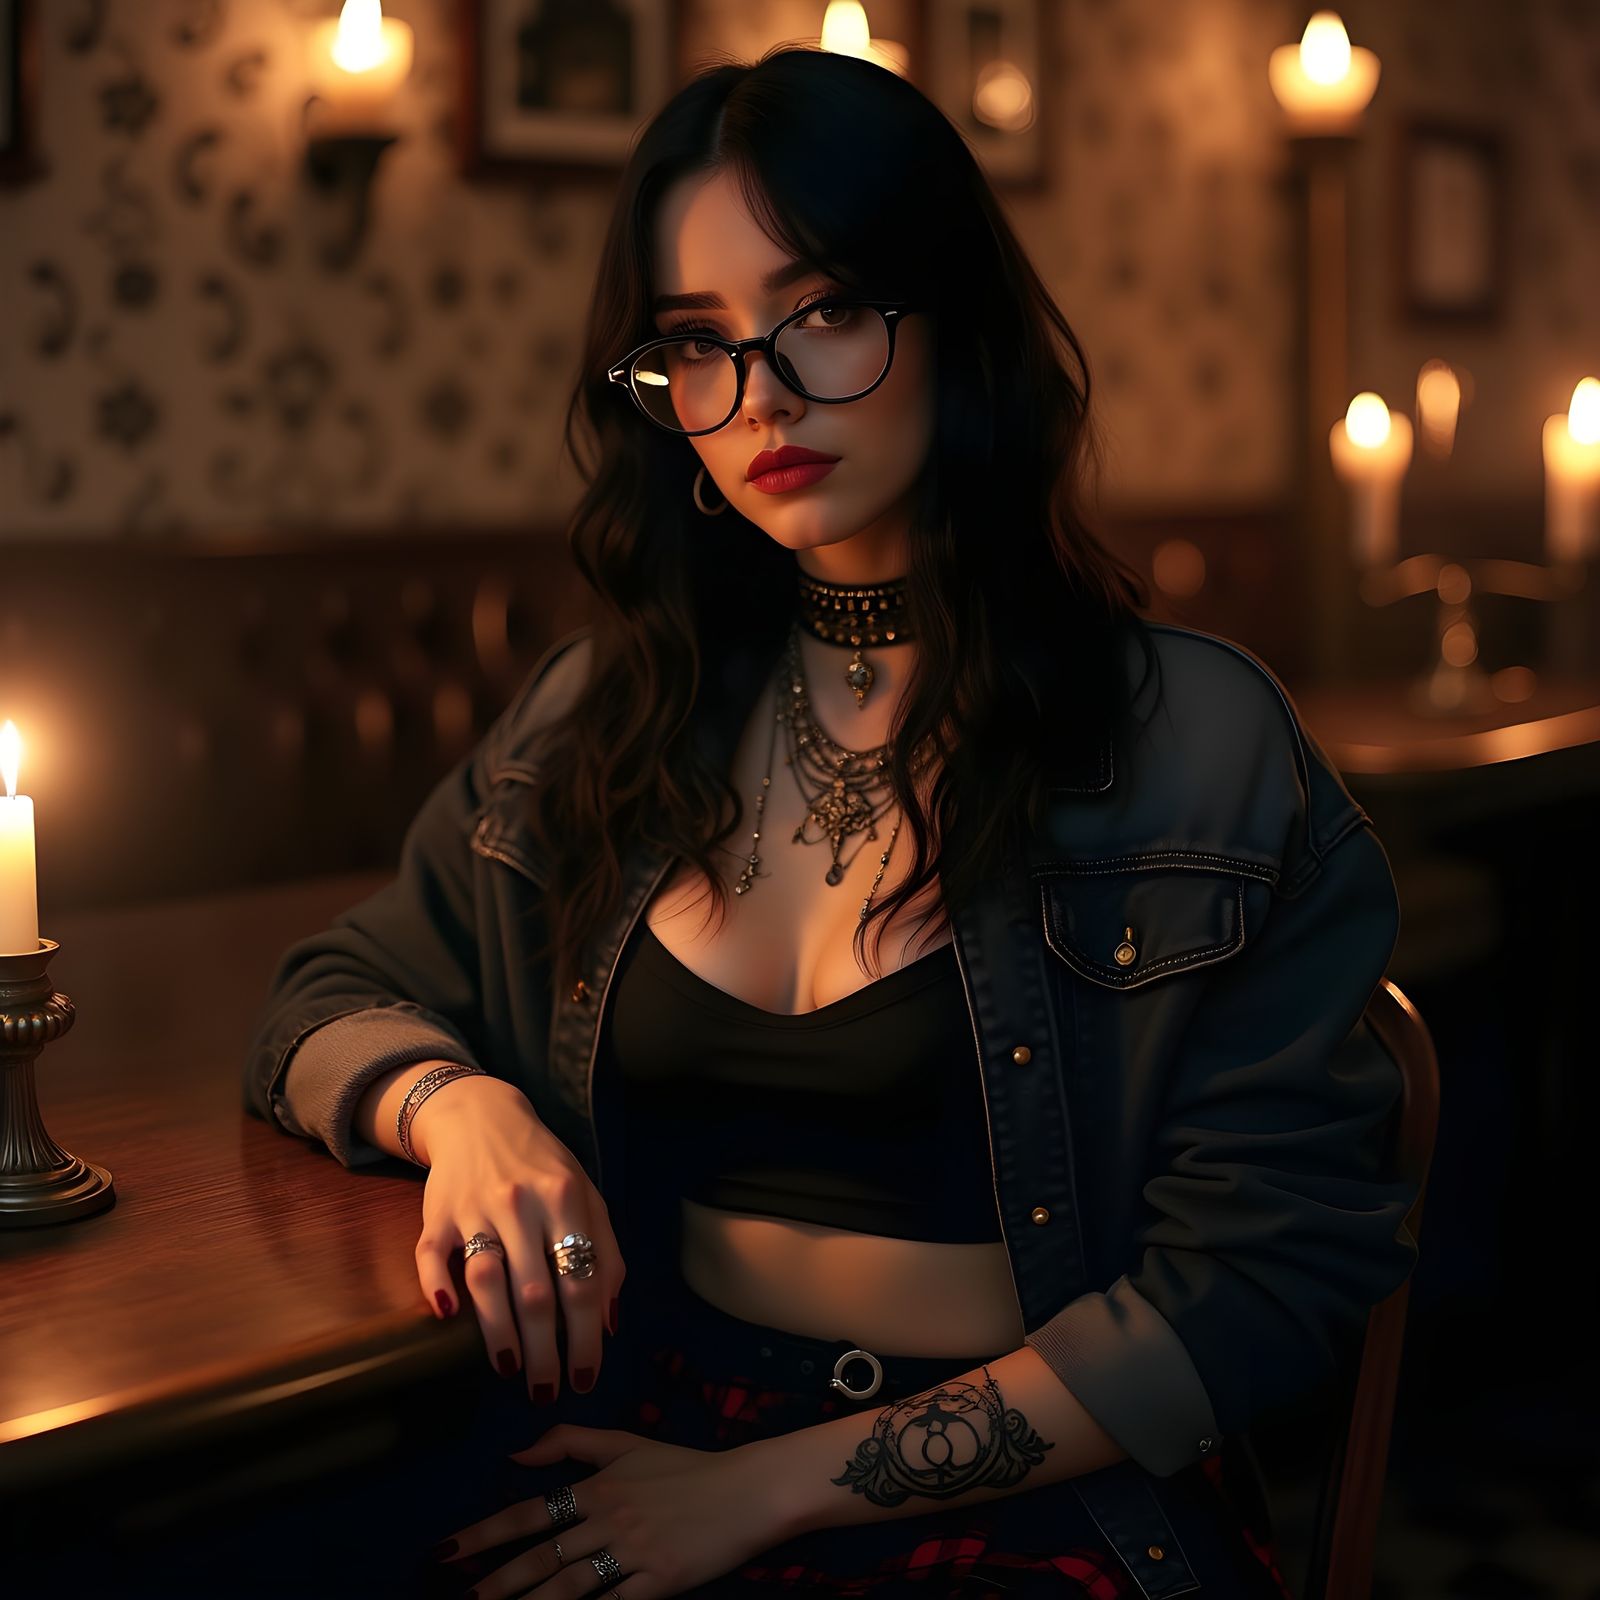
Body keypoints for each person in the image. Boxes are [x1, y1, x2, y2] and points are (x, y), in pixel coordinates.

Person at [242, 44, 1420, 1599]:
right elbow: (321, 1004)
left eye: (828, 314)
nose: (766, 396)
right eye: (699, 346)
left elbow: (1263, 1284)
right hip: (633, 1445)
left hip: (1035, 1492)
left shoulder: (1197, 742)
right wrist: (460, 1110)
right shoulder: (602, 713)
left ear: (957, 325)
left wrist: (768, 1496)